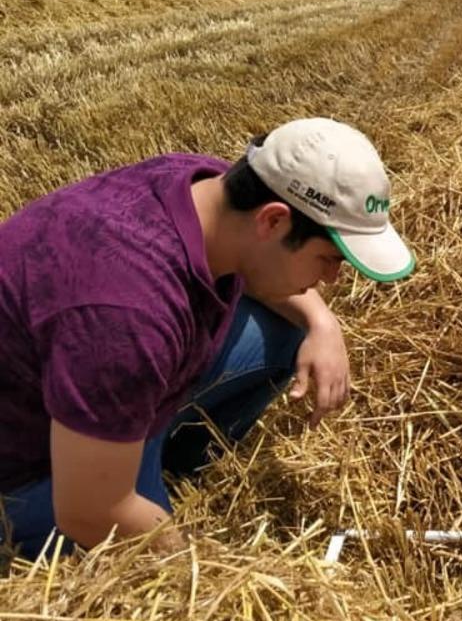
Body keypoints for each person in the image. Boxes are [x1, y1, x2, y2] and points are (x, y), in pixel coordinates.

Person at [0, 117, 414, 559]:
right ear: (273, 221)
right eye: (328, 259)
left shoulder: (206, 187)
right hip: (31, 470)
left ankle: (172, 467)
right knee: (140, 561)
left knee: (287, 331)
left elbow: (267, 281)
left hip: (92, 401)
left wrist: (322, 324)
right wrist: (203, 571)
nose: (330, 279)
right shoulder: (127, 315)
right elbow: (89, 510)